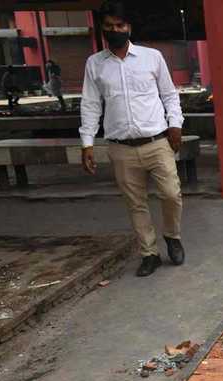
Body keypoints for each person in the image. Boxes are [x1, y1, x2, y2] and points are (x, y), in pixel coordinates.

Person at [80, 1, 185, 277]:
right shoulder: (95, 64)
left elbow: (169, 95)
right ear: (102, 30)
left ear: (129, 27)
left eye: (120, 25)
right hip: (121, 147)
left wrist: (175, 125)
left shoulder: (152, 57)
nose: (115, 30)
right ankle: (149, 253)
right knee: (135, 203)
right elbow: (91, 104)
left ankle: (172, 236)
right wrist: (87, 143)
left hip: (157, 142)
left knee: (172, 194)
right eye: (109, 27)